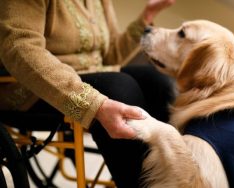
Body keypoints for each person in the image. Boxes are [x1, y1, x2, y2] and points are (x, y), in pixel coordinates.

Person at [0, 0, 176, 187]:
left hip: (92, 74)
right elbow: (19, 48)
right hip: (32, 88)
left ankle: (174, 178)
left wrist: (147, 17)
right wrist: (94, 104)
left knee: (158, 83)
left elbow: (109, 56)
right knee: (119, 87)